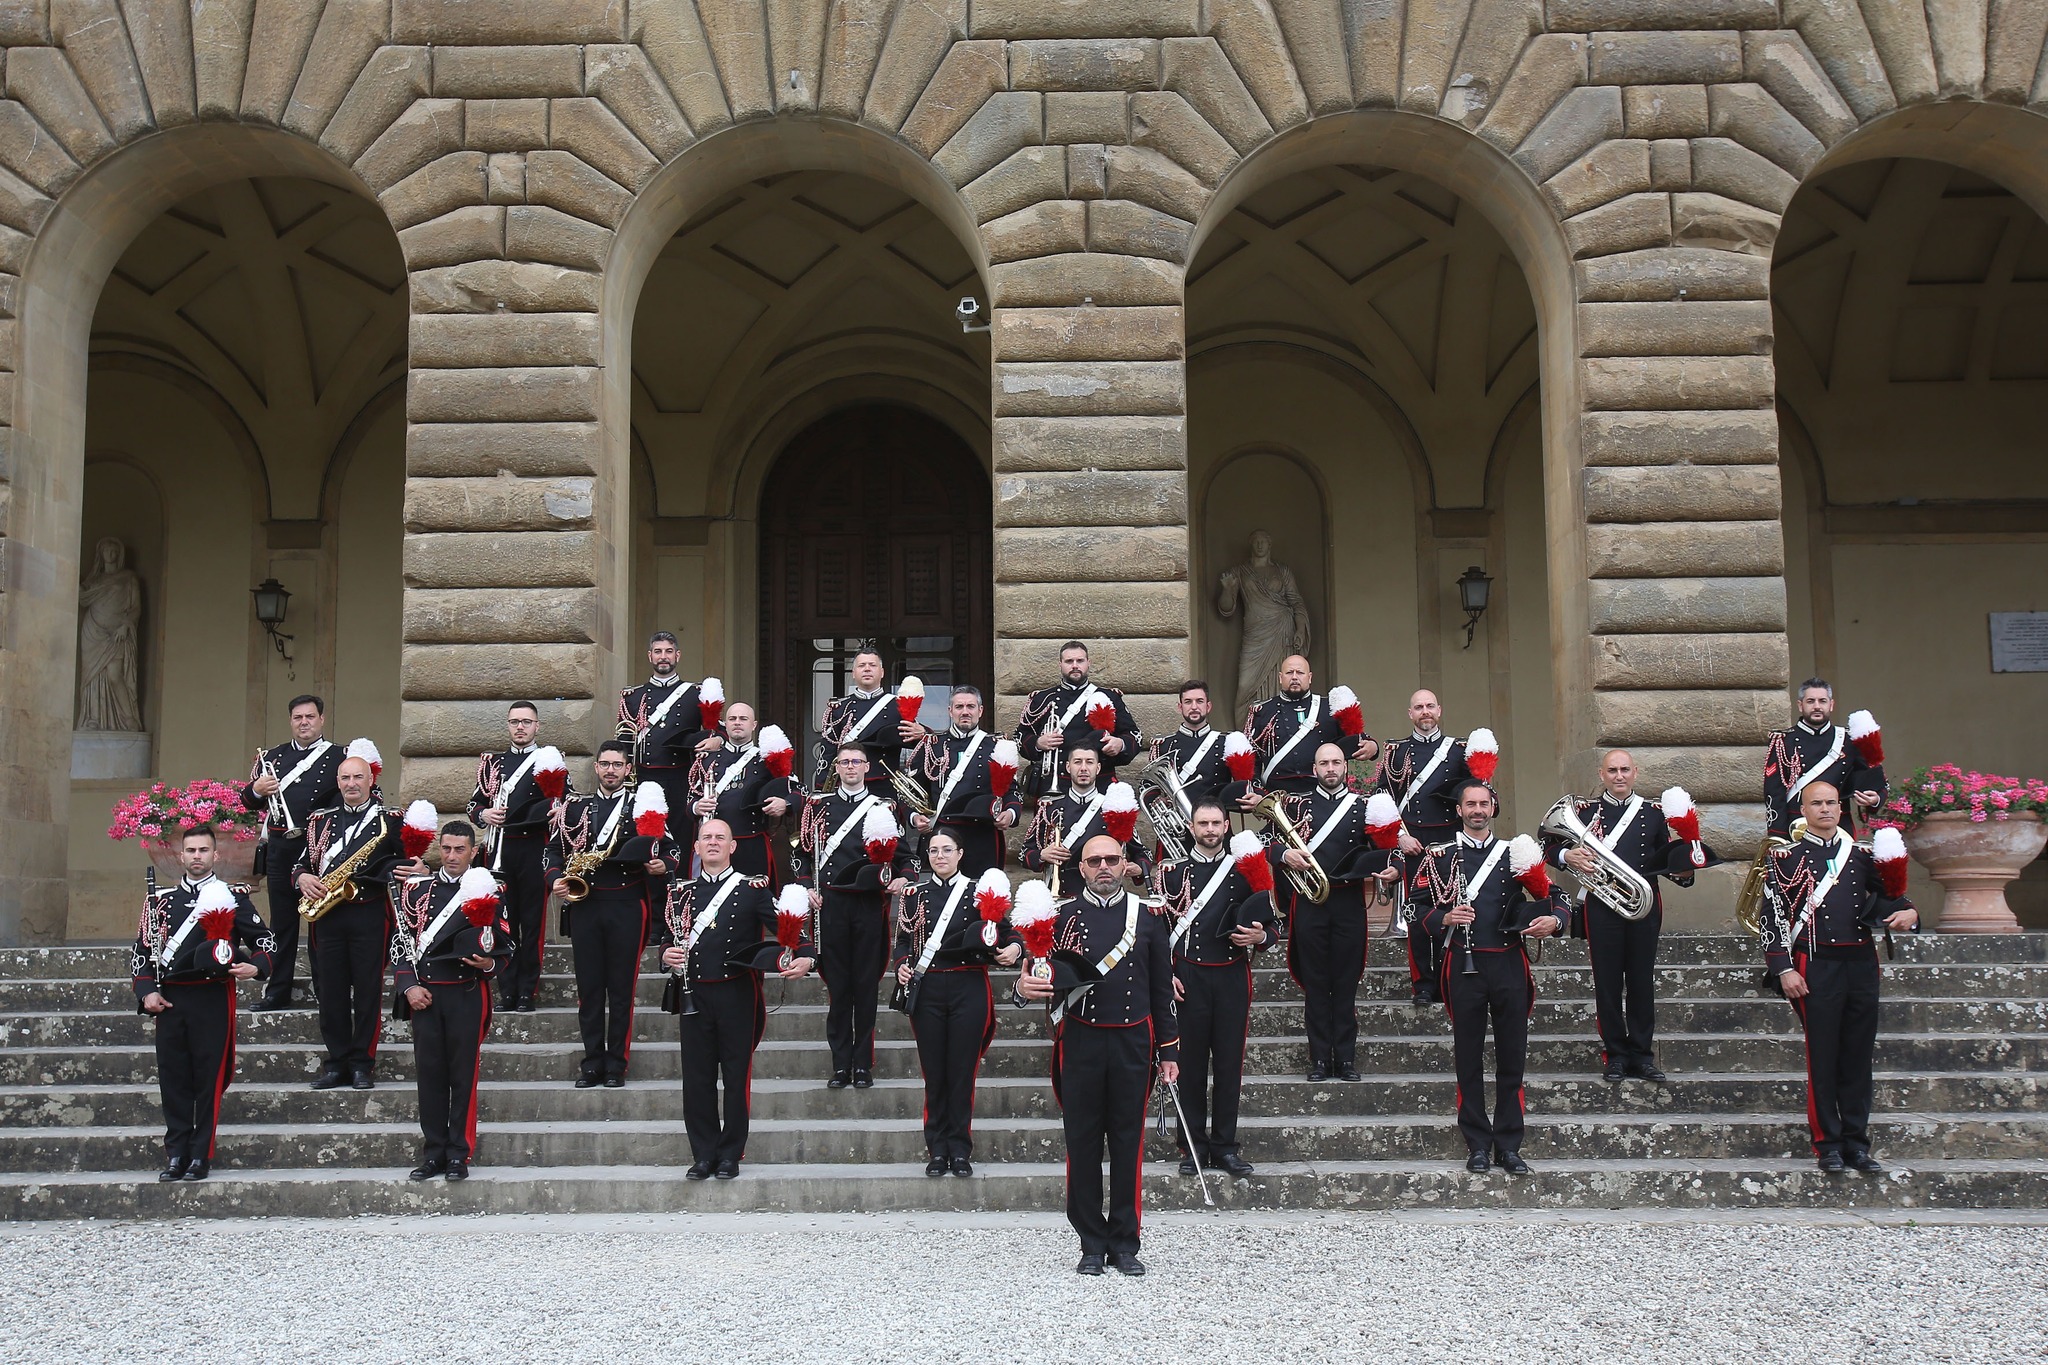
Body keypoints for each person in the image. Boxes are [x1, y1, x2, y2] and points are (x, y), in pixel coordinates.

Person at [1018, 834, 1178, 1277]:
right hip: (1082, 1041)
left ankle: (1125, 1242)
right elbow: (1033, 976)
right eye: (1094, 861)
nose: (1103, 866)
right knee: (1082, 1143)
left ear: (1125, 863)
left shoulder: (1147, 918)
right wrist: (1019, 987)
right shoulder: (1059, 916)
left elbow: (1162, 988)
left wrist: (1169, 1051)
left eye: (1112, 859)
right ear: (1082, 868)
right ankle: (1090, 1242)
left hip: (1132, 1043)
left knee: (1128, 1143)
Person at [1761, 781, 1918, 1174]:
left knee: (1858, 1056)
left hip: (1861, 963)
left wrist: (1911, 915)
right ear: (1803, 809)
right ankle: (1827, 1144)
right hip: (1816, 964)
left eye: (1832, 802)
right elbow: (1772, 919)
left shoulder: (1863, 856)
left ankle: (1857, 1144)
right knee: (1824, 1055)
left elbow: (1896, 897)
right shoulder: (1783, 858)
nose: (1827, 809)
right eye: (1818, 803)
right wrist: (1783, 968)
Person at [1413, 780, 1564, 1174]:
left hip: (1509, 965)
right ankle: (1477, 1144)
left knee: (1512, 1058)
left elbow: (1557, 897)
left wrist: (1554, 920)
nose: (1478, 810)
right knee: (1468, 1059)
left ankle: (1509, 1145)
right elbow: (1414, 909)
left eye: (1484, 803)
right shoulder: (1439, 855)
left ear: (1493, 808)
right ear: (1459, 810)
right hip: (1463, 967)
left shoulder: (1516, 853)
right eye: (1471, 804)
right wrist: (1443, 917)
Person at [659, 818, 815, 1180]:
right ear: (695, 848)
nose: (712, 843)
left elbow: (787, 927)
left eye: (720, 838)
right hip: (694, 992)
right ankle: (702, 1154)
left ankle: (730, 1153)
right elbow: (665, 935)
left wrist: (807, 954)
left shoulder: (752, 889)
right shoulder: (680, 892)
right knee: (696, 1080)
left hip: (736, 992)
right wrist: (666, 951)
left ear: (733, 846)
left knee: (735, 1076)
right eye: (706, 838)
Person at [1543, 750, 1704, 1084]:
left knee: (1642, 981)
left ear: (1636, 773)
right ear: (1601, 774)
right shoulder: (1583, 811)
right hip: (1602, 905)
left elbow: (1666, 861)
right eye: (1612, 770)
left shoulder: (1653, 813)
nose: (1619, 776)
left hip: (1644, 906)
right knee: (1608, 981)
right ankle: (1615, 1055)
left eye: (1625, 770)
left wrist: (1686, 871)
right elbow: (1546, 844)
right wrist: (1566, 854)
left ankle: (1643, 1056)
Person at [130, 825, 274, 1182]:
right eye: (191, 850)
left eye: (203, 850)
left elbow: (266, 943)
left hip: (212, 997)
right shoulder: (158, 901)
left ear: (216, 855)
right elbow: (142, 953)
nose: (197, 856)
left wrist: (255, 966)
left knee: (209, 1079)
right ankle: (176, 1153)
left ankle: (200, 1155)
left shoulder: (232, 897)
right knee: (173, 1079)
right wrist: (147, 992)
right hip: (172, 1000)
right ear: (181, 856)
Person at [1154, 800, 1277, 1178]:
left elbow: (1272, 928)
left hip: (1230, 975)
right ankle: (1192, 1146)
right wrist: (1164, 974)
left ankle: (1225, 1146)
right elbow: (1155, 935)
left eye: (1215, 823)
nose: (1209, 829)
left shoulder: (1246, 871)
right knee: (1188, 1067)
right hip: (1187, 978)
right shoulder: (1170, 873)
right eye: (1202, 823)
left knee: (1229, 1066)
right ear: (1191, 828)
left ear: (1226, 826)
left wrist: (1261, 937)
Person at [543, 742, 675, 1088]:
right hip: (585, 905)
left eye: (618, 764)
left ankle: (616, 1064)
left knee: (620, 991)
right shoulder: (575, 808)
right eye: (605, 764)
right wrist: (555, 878)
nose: (611, 770)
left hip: (628, 906)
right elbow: (552, 852)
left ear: (628, 769)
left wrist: (664, 865)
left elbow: (672, 849)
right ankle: (592, 1063)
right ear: (597, 768)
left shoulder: (642, 805)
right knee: (589, 989)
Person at [891, 830, 1021, 1175]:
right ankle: (937, 1149)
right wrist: (901, 965)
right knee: (935, 1073)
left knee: (963, 1072)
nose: (940, 856)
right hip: (928, 988)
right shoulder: (914, 894)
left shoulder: (979, 891)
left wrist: (1015, 949)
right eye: (933, 850)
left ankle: (960, 1149)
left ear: (960, 853)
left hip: (968, 985)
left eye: (947, 849)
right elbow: (902, 941)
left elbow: (1009, 932)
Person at [391, 823, 510, 1181]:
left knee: (462, 1076)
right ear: (438, 850)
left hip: (466, 993)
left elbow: (505, 943)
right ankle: (434, 1153)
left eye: (460, 849)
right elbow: (401, 943)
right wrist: (408, 986)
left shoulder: (489, 891)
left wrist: (489, 964)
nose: (452, 856)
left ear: (474, 852)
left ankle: (459, 1153)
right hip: (425, 995)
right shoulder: (416, 891)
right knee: (429, 1077)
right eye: (446, 849)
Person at [1276, 744, 1401, 1082]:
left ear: (1345, 767)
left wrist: (1395, 871)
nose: (1330, 768)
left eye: (1335, 762)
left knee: (1346, 983)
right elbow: (1266, 841)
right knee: (1315, 984)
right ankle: (1319, 1060)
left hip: (1348, 903)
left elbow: (1391, 853)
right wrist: (1284, 856)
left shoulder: (1364, 807)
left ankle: (1345, 1059)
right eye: (1323, 763)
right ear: (1313, 767)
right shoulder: (1294, 804)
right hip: (1310, 903)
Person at [795, 745, 914, 1088]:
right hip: (830, 905)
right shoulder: (817, 808)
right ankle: (839, 1064)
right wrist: (806, 887)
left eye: (856, 761)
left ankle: (862, 1064)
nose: (850, 767)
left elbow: (905, 858)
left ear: (867, 767)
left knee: (864, 987)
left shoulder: (881, 807)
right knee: (838, 989)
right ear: (837, 767)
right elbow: (801, 856)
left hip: (867, 906)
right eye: (844, 761)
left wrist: (904, 876)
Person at [293, 745, 406, 1091]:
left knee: (368, 991)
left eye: (358, 776)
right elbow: (300, 864)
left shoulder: (391, 821)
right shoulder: (319, 821)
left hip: (369, 913)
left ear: (371, 780)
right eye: (345, 777)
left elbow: (404, 864)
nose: (352, 783)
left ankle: (362, 1065)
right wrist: (302, 878)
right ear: (337, 781)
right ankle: (336, 1063)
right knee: (330, 992)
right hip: (327, 917)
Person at [242, 693, 341, 1011]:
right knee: (282, 923)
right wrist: (256, 790)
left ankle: (325, 988)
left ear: (321, 720)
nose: (304, 723)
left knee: (321, 921)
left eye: (310, 717)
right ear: (291, 721)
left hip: (319, 849)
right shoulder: (273, 757)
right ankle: (277, 990)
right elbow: (249, 801)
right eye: (298, 717)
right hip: (281, 848)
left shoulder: (340, 756)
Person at [1376, 689, 1475, 1006]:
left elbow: (1476, 796)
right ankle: (1423, 985)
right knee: (1418, 918)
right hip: (1413, 846)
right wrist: (1400, 836)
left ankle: (1449, 979)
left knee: (1451, 912)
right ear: (1410, 714)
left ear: (1440, 710)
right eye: (1418, 707)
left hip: (1450, 845)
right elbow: (1381, 802)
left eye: (1430, 706)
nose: (1425, 712)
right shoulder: (1395, 753)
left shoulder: (1460, 752)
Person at [466, 701, 562, 1012]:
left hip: (533, 849)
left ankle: (526, 992)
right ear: (508, 725)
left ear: (537, 726)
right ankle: (506, 989)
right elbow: (472, 805)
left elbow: (561, 801)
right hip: (500, 850)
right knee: (501, 923)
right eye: (514, 722)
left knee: (532, 925)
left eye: (526, 722)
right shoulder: (492, 764)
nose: (520, 727)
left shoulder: (548, 759)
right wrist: (485, 814)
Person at [904, 685, 1021, 880]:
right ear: (950, 711)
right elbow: (910, 793)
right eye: (959, 707)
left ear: (980, 711)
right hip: (942, 834)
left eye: (970, 706)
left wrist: (1010, 813)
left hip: (982, 836)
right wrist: (915, 817)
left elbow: (1012, 791)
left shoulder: (998, 745)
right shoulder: (932, 745)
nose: (965, 712)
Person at [616, 629, 723, 837]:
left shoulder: (695, 694)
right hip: (644, 777)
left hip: (681, 779)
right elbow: (623, 743)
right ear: (650, 656)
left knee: (681, 836)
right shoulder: (633, 696)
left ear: (677, 655)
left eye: (668, 651)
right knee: (645, 837)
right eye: (658, 651)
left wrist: (717, 739)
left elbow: (719, 731)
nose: (663, 656)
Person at [1014, 641, 1141, 800]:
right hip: (1054, 788)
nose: (1075, 665)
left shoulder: (1110, 697)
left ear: (1088, 663)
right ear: (1060, 664)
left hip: (1099, 787)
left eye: (1080, 661)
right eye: (1069, 661)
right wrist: (1038, 743)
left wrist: (1120, 744)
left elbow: (1135, 735)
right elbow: (1020, 737)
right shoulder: (1042, 698)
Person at [1238, 655, 1377, 798]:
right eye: (1289, 672)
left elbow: (1356, 738)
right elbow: (1251, 758)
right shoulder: (1262, 711)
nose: (1294, 677)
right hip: (1278, 797)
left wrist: (1372, 746)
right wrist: (1256, 792)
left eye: (1300, 672)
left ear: (1309, 677)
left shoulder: (1330, 706)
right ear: (1280, 677)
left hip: (1324, 795)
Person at [1764, 679, 1887, 837]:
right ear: (1800, 705)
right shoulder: (1782, 741)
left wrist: (1875, 799)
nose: (1817, 706)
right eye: (1810, 701)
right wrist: (1778, 837)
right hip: (1796, 827)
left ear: (1831, 705)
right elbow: (1774, 794)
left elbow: (1876, 781)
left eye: (1822, 701)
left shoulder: (1848, 740)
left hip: (1839, 828)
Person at [690, 701, 796, 882]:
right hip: (715, 845)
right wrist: (696, 807)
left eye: (743, 718)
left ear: (753, 725)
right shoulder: (707, 760)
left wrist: (785, 803)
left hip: (751, 844)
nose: (737, 722)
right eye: (732, 719)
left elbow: (797, 791)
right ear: (725, 723)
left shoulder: (767, 760)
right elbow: (690, 798)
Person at [1021, 743, 1149, 883]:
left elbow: (1142, 853)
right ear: (1068, 767)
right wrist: (1042, 855)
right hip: (1064, 895)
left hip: (1104, 895)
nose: (1083, 768)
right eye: (1077, 762)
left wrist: (1139, 868)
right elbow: (1024, 854)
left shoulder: (1114, 808)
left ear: (1098, 768)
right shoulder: (1050, 808)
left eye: (1089, 762)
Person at [814, 648, 922, 796]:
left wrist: (923, 733)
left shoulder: (898, 706)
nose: (867, 669)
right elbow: (827, 752)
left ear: (882, 672)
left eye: (872, 665)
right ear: (853, 673)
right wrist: (821, 789)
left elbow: (916, 745)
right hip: (847, 786)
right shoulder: (840, 708)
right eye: (861, 665)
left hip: (885, 786)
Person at [1146, 680, 1234, 809]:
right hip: (1178, 823)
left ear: (1208, 706)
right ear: (1180, 707)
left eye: (1199, 701)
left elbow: (1243, 782)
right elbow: (1149, 786)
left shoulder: (1227, 742)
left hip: (1216, 823)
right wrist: (1157, 801)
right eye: (1188, 702)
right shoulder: (1164, 745)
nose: (1194, 707)